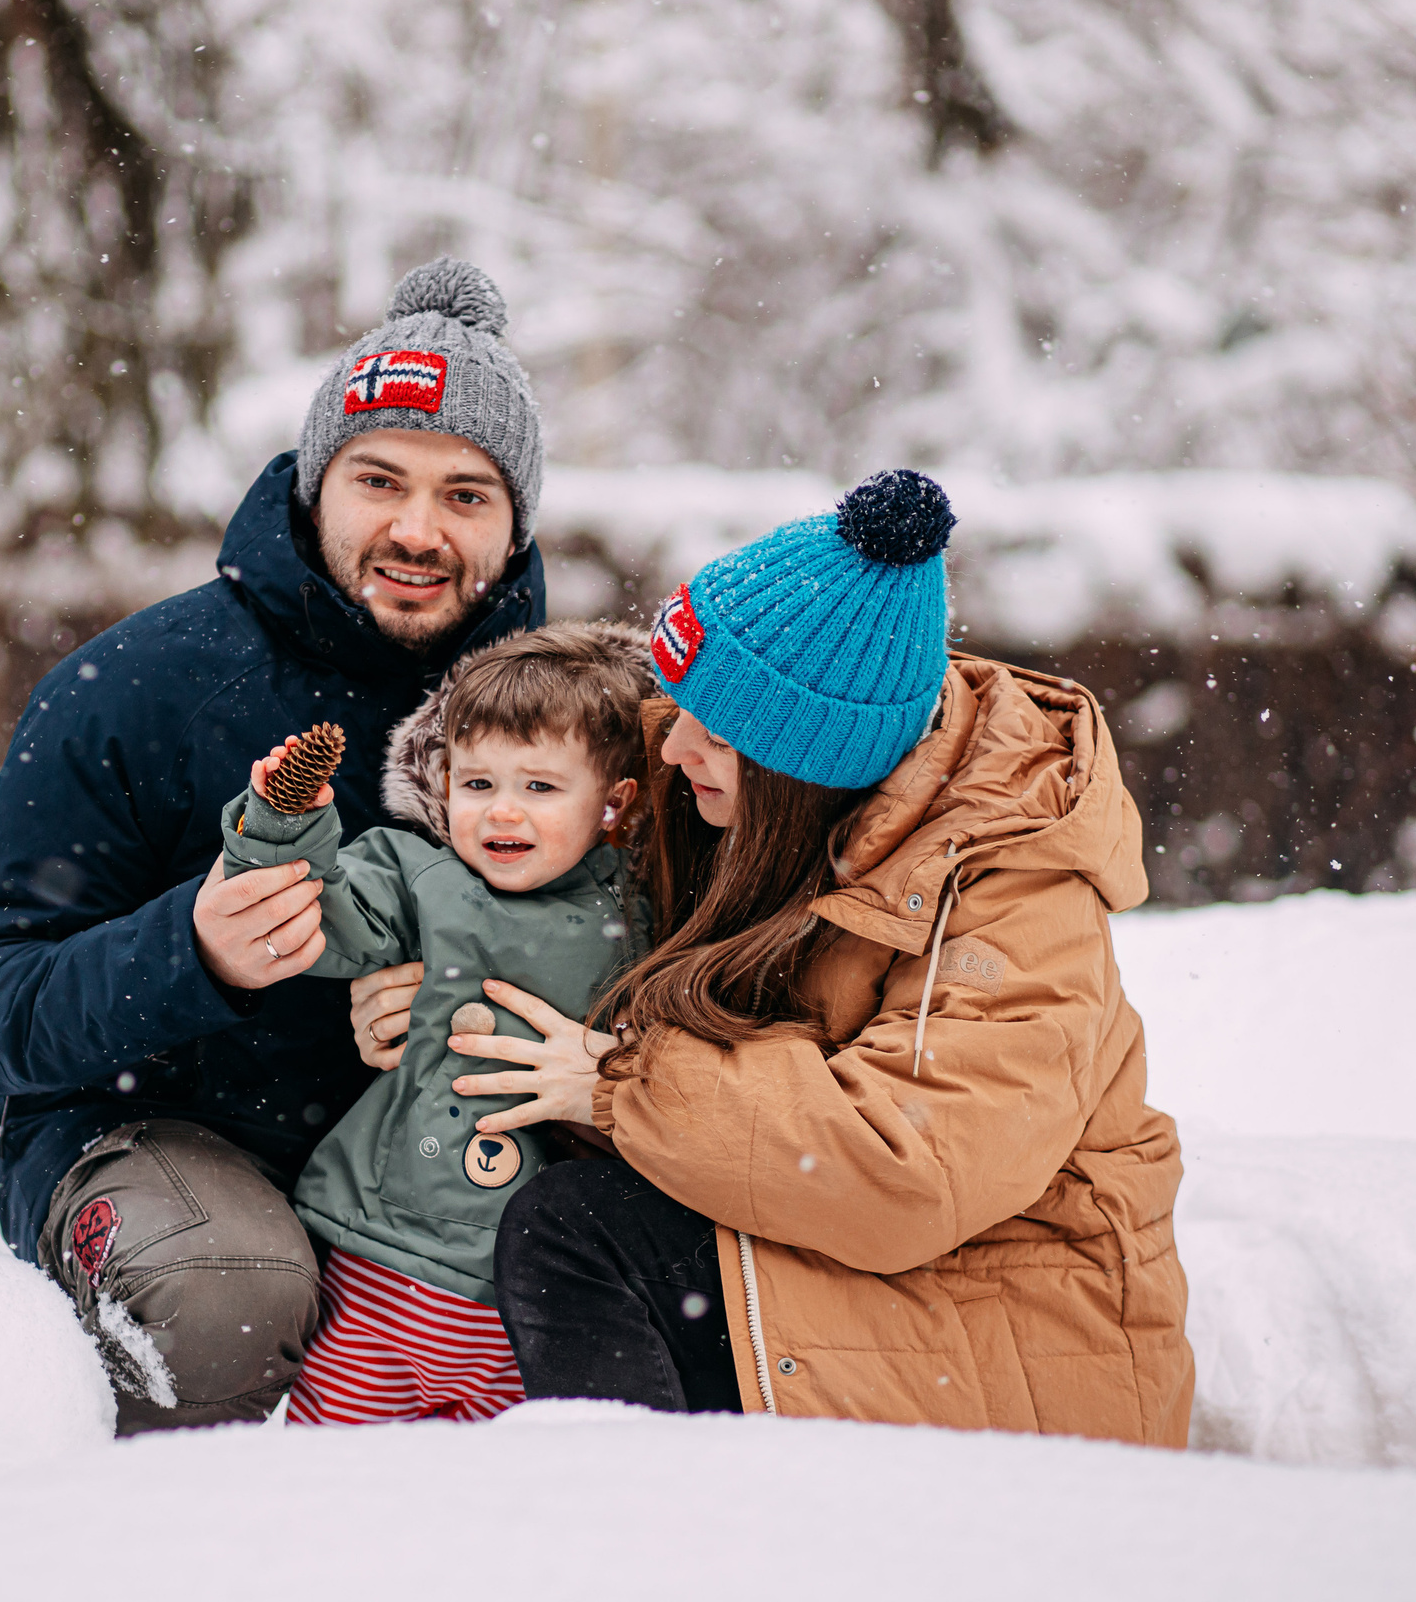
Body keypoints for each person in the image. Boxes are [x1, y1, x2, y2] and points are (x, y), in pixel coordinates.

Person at [357, 470, 1195, 1443]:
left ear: (803, 769)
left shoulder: (1015, 891)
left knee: (575, 1228)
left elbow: (910, 1181)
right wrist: (440, 990)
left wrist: (622, 1086)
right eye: (675, 713)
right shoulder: (736, 799)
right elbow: (563, 921)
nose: (671, 755)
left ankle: (639, 1530)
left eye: (708, 735)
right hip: (852, 1256)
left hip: (999, 1322)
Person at [0, 258, 548, 1432]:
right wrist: (191, 954)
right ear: (316, 487)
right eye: (380, 481)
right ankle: (176, 1573)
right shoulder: (141, 687)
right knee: (231, 1299)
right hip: (160, 1140)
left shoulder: (560, 717)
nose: (419, 529)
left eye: (468, 494)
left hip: (437, 1160)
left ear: (516, 524)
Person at [217, 624, 653, 1424]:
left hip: (521, 1302)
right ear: (444, 783)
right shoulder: (418, 876)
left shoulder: (641, 916)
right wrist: (283, 825)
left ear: (615, 803)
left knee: (482, 1511)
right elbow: (323, 920)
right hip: (376, 1262)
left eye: (542, 788)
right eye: (479, 784)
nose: (502, 811)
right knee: (336, 1475)